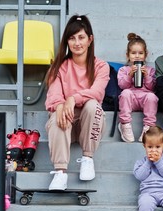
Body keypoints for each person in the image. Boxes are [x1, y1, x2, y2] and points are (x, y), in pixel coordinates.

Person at [45, 14, 110, 190]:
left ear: (90, 39)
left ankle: (87, 159)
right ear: (67, 41)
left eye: (81, 37)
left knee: (93, 104)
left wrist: (73, 98)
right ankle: (60, 173)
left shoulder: (101, 66)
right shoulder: (58, 67)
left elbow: (97, 92)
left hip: (89, 126)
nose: (77, 43)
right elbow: (53, 95)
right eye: (72, 38)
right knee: (58, 110)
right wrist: (60, 105)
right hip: (65, 124)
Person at [117, 33, 158, 143]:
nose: (137, 56)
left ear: (145, 54)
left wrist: (147, 76)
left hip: (145, 99)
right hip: (131, 99)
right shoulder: (123, 70)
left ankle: (148, 127)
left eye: (140, 53)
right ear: (128, 55)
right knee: (125, 93)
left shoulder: (150, 70)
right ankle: (125, 124)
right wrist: (130, 75)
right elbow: (122, 85)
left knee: (152, 96)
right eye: (133, 53)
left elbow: (152, 87)